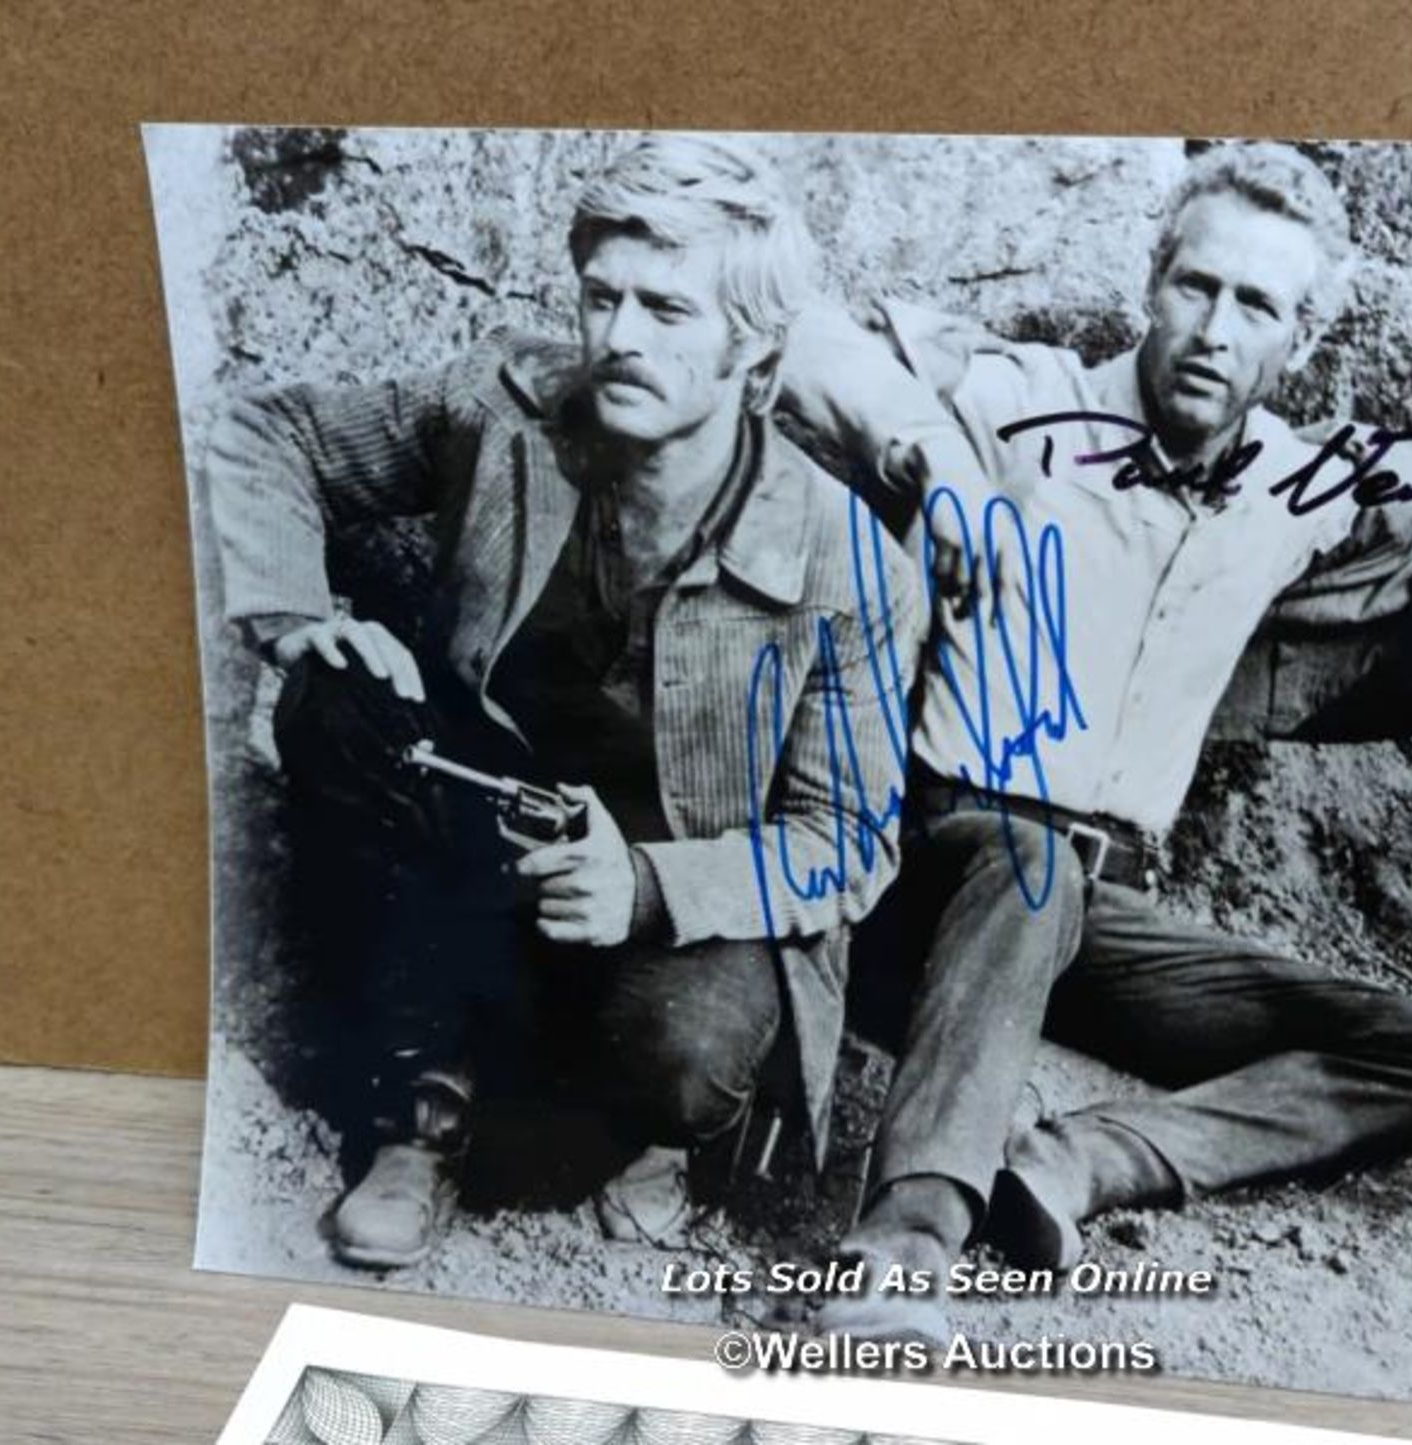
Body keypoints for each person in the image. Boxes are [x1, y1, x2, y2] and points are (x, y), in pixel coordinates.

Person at [779, 142, 1412, 1338]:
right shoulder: (1015, 397)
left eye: (1258, 305)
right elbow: (803, 339)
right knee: (1024, 863)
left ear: (1298, 338)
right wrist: (936, 464)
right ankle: (904, 1249)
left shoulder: (1295, 487)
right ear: (1153, 281)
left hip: (1101, 913)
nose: (1215, 328)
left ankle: (1076, 1162)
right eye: (1197, 286)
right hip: (930, 864)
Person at [205, 135, 925, 1269]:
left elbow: (844, 843)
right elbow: (270, 430)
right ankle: (421, 1118)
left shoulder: (849, 564)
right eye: (603, 296)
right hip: (474, 847)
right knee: (336, 699)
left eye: (669, 310)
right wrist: (297, 619)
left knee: (684, 1053)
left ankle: (646, 1140)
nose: (621, 337)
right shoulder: (502, 413)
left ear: (756, 350)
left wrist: (643, 885)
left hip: (677, 908)